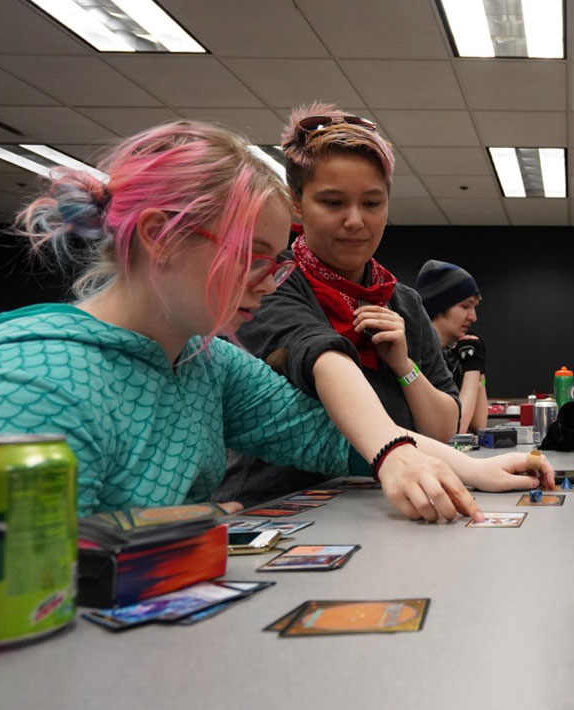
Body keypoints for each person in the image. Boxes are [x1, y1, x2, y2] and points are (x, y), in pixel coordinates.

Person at [0, 119, 550, 522]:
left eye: (275, 257)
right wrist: (185, 524)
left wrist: (476, 471)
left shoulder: (206, 360)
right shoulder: (34, 377)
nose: (269, 277)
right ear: (156, 238)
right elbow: (28, 579)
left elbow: (331, 439)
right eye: (251, 256)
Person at [217, 104, 525, 508]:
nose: (355, 221)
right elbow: (322, 362)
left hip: (391, 497)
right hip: (278, 503)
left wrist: (403, 366)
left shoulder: (405, 302)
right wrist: (394, 452)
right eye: (332, 203)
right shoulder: (267, 285)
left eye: (372, 203)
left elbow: (443, 428)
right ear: (297, 202)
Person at [416, 259, 488, 434]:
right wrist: (471, 371)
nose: (473, 317)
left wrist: (478, 369)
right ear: (438, 306)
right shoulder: (420, 358)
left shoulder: (451, 355)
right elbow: (456, 429)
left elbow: (479, 425)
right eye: (465, 306)